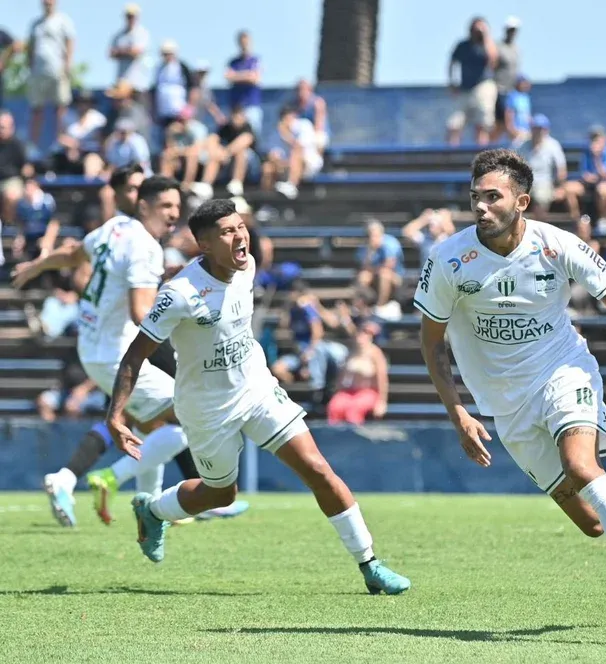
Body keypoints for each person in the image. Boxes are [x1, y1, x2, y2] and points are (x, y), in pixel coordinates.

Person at [413, 149, 606, 631]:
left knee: (581, 465)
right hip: (505, 403)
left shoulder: (557, 245)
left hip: (563, 371)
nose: (481, 207)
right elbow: (431, 342)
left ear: (522, 202)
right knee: (593, 522)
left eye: (493, 197)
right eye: (475, 197)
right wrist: (458, 413)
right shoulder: (449, 259)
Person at [104, 199, 411, 596]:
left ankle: (371, 564)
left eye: (240, 227)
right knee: (221, 493)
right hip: (206, 407)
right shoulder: (178, 294)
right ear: (204, 245)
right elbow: (134, 356)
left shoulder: (246, 266)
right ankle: (153, 510)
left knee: (317, 468)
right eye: (227, 232)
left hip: (256, 389)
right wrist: (115, 415)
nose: (240, 236)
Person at [13, 175, 247, 526]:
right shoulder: (146, 247)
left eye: (177, 207)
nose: (173, 214)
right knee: (192, 416)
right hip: (115, 354)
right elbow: (142, 313)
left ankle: (149, 504)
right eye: (165, 206)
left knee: (154, 427)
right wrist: (192, 314)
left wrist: (37, 265)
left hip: (93, 348)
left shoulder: (114, 227)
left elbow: (73, 254)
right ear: (143, 205)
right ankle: (113, 479)